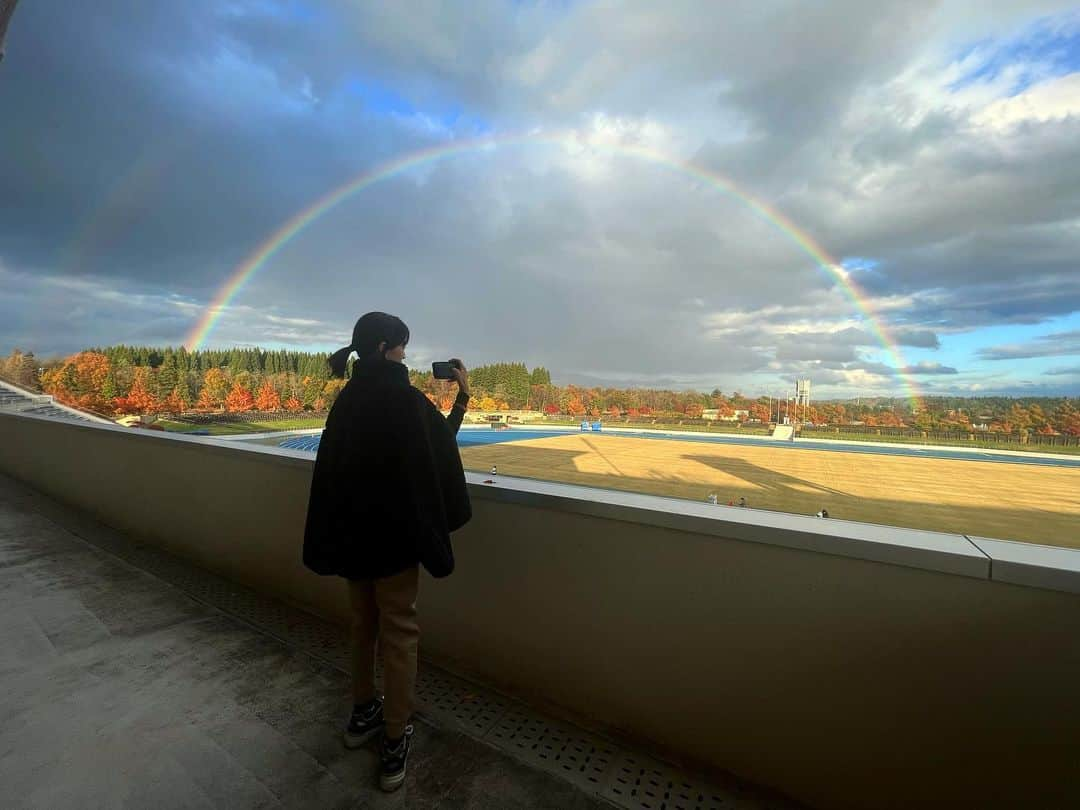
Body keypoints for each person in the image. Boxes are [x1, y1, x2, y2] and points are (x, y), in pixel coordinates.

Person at [302, 312, 472, 793]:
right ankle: (395, 739)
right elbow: (440, 449)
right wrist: (461, 397)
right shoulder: (407, 401)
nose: (404, 354)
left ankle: (362, 715)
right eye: (400, 346)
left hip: (352, 538)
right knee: (400, 632)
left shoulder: (346, 401)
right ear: (382, 348)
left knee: (363, 626)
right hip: (395, 541)